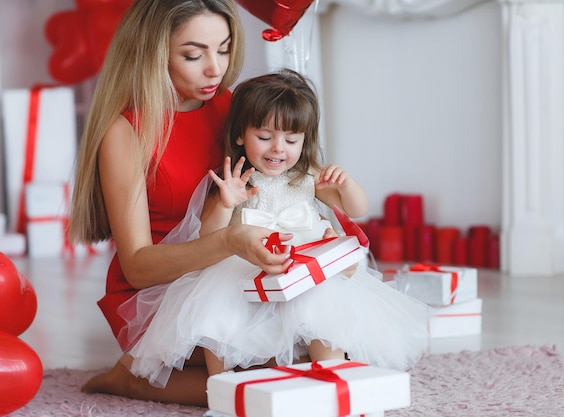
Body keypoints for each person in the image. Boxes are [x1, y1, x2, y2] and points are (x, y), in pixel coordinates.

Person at [118, 69, 432, 393]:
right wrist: (226, 203)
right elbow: (207, 234)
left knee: (322, 310)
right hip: (242, 272)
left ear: (305, 141)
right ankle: (224, 390)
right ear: (241, 134)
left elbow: (357, 208)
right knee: (216, 315)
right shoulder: (236, 180)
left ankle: (335, 382)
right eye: (265, 137)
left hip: (302, 270)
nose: (278, 149)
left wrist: (347, 185)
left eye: (291, 140)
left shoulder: (307, 175)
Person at [69, 0, 303, 407]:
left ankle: (145, 374)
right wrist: (230, 242)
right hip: (156, 295)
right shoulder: (127, 132)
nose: (215, 68)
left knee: (318, 348)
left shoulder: (232, 107)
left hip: (232, 274)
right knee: (275, 372)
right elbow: (139, 268)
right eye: (193, 55)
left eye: (224, 48)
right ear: (152, 53)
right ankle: (134, 380)